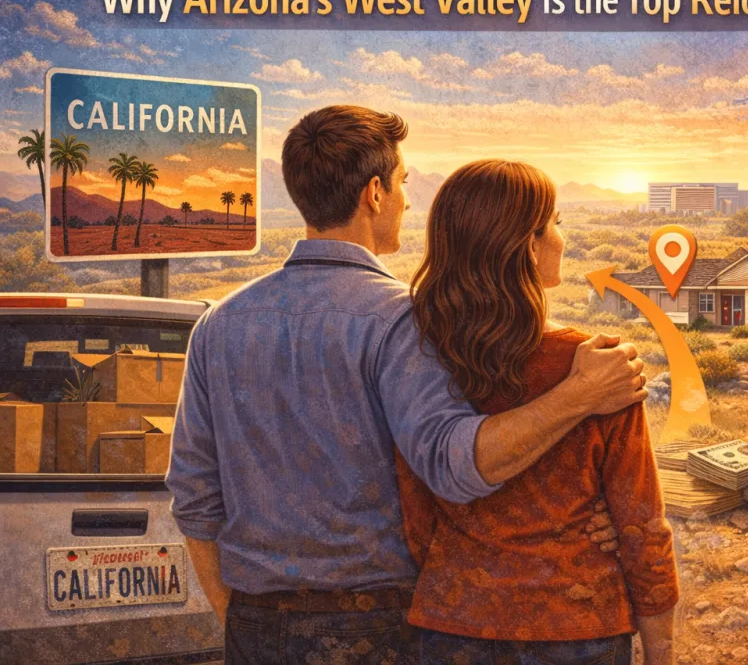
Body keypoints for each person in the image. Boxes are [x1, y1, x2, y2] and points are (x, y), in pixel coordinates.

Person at [166, 106, 648, 665]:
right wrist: (578, 397)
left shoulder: (220, 322)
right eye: (401, 183)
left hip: (255, 624)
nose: (406, 200)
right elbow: (455, 466)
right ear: (374, 192)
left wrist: (238, 624)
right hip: (377, 624)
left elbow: (197, 501)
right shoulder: (400, 320)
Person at [394, 159, 678, 665]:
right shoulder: (598, 366)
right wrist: (662, 651)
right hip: (579, 619)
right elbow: (642, 527)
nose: (562, 239)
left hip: (458, 621)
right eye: (558, 224)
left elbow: (415, 517)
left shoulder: (423, 362)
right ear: (528, 244)